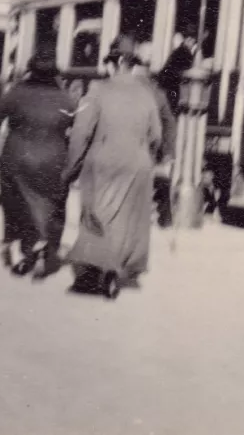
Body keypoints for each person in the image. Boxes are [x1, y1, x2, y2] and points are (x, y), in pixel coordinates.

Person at [62, 35, 162, 297]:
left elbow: (80, 133)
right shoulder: (146, 94)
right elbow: (156, 136)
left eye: (108, 62)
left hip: (105, 161)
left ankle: (99, 269)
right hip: (138, 163)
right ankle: (116, 267)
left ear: (117, 62)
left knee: (96, 212)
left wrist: (71, 167)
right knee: (127, 218)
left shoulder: (97, 91)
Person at [0, 48, 75, 279]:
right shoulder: (66, 98)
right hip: (54, 159)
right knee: (51, 204)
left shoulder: (16, 93)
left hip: (17, 157)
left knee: (14, 205)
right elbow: (77, 128)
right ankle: (44, 242)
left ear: (30, 70)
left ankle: (23, 253)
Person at [132, 39, 177, 228]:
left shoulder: (121, 88)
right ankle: (165, 218)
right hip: (149, 150)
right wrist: (168, 154)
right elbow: (170, 123)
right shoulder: (158, 92)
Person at [156, 28, 198, 113]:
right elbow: (184, 70)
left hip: (166, 82)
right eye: (192, 42)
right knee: (171, 107)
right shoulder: (185, 52)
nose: (192, 44)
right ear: (188, 40)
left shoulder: (178, 50)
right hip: (171, 83)